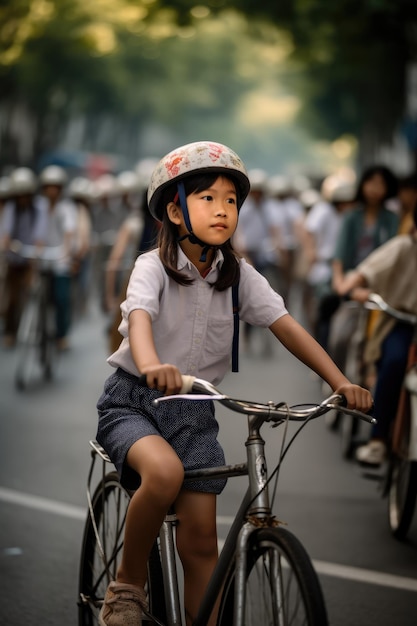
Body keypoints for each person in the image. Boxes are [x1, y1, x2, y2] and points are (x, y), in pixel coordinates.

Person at [95, 141, 372, 626]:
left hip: (195, 411)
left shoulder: (238, 274)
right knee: (161, 475)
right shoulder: (151, 267)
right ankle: (127, 584)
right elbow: (139, 318)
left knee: (203, 541)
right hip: (134, 401)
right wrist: (153, 363)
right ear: (175, 212)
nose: (223, 209)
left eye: (230, 201)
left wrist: (341, 381)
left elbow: (286, 325)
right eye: (208, 198)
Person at [335, 204, 417, 466]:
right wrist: (350, 287)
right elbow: (369, 269)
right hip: (401, 323)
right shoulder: (404, 246)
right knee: (394, 362)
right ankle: (378, 440)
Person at [328, 165, 399, 375]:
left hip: (380, 287)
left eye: (381, 184)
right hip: (351, 282)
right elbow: (339, 254)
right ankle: (335, 382)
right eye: (371, 182)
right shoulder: (351, 216)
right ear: (363, 185)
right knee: (339, 338)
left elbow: (392, 255)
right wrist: (340, 284)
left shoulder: (392, 219)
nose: (375, 189)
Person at [0, 167, 45, 347]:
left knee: (33, 291)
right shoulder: (11, 208)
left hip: (32, 257)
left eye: (26, 194)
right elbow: (6, 232)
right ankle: (11, 331)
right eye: (19, 195)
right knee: (12, 297)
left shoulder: (39, 206)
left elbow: (40, 232)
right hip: (14, 256)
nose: (23, 198)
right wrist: (6, 245)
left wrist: (37, 250)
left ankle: (39, 329)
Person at [38, 165, 77, 350]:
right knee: (36, 295)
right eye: (48, 186)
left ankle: (62, 335)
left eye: (55, 186)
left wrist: (66, 251)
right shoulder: (39, 206)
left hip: (60, 259)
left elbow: (69, 232)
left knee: (61, 298)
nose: (51, 190)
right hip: (41, 258)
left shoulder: (66, 208)